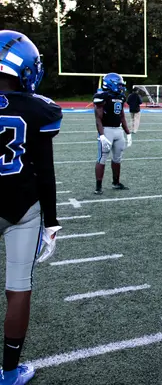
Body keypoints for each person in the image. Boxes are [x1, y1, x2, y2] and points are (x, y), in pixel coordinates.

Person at [0, 30, 63, 385]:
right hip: (23, 207)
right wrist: (51, 221)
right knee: (18, 287)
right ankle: (9, 372)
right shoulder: (39, 108)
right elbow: (46, 171)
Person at [93, 73, 133, 194]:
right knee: (102, 158)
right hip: (106, 130)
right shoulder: (101, 96)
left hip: (118, 130)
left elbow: (122, 116)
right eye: (119, 84)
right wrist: (102, 135)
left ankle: (116, 182)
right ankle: (98, 186)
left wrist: (128, 132)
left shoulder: (120, 97)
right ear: (111, 84)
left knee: (117, 158)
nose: (121, 87)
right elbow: (98, 118)